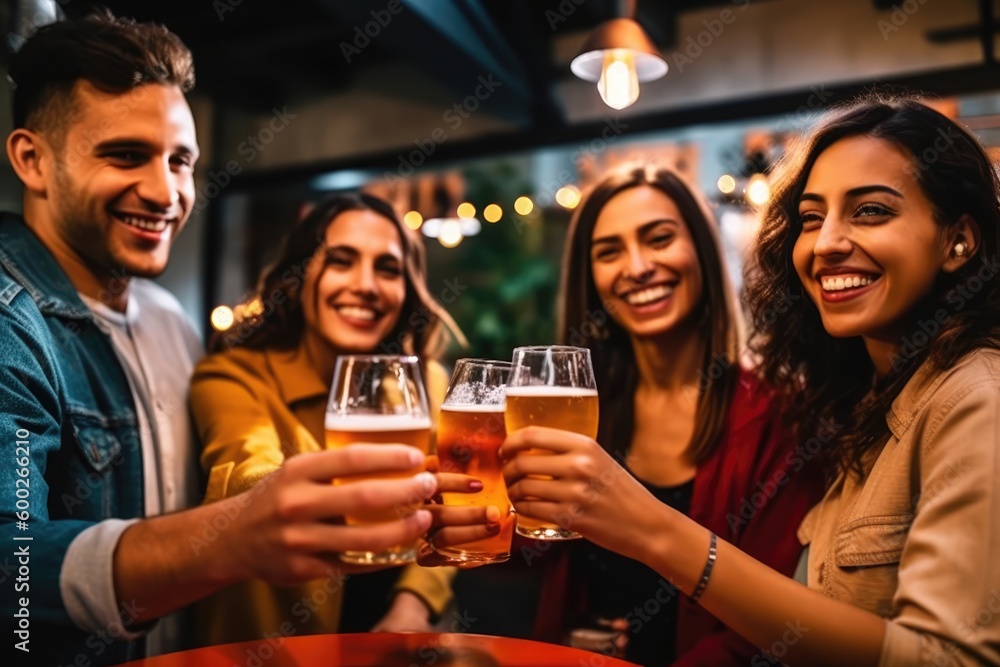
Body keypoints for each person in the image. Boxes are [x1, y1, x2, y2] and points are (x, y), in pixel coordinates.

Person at [0, 13, 488, 666]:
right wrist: (244, 526)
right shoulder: (13, 322)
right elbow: (14, 564)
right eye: (125, 155)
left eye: (181, 162)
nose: (164, 190)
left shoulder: (168, 318)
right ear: (31, 159)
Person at [502, 96, 1000, 666]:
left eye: (870, 211)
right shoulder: (860, 406)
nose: (828, 242)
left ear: (959, 239)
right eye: (812, 218)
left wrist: (656, 530)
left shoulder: (972, 397)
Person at [519, 164, 822, 666]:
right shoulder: (580, 409)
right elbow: (539, 559)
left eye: (658, 239)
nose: (636, 267)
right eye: (609, 252)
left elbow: (769, 631)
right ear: (590, 279)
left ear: (701, 252)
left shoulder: (777, 417)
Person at [189, 192, 486, 645]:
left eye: (387, 269)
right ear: (301, 275)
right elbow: (247, 467)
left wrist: (412, 606)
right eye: (341, 261)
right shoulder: (235, 375)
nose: (366, 284)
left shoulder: (426, 380)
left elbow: (449, 519)